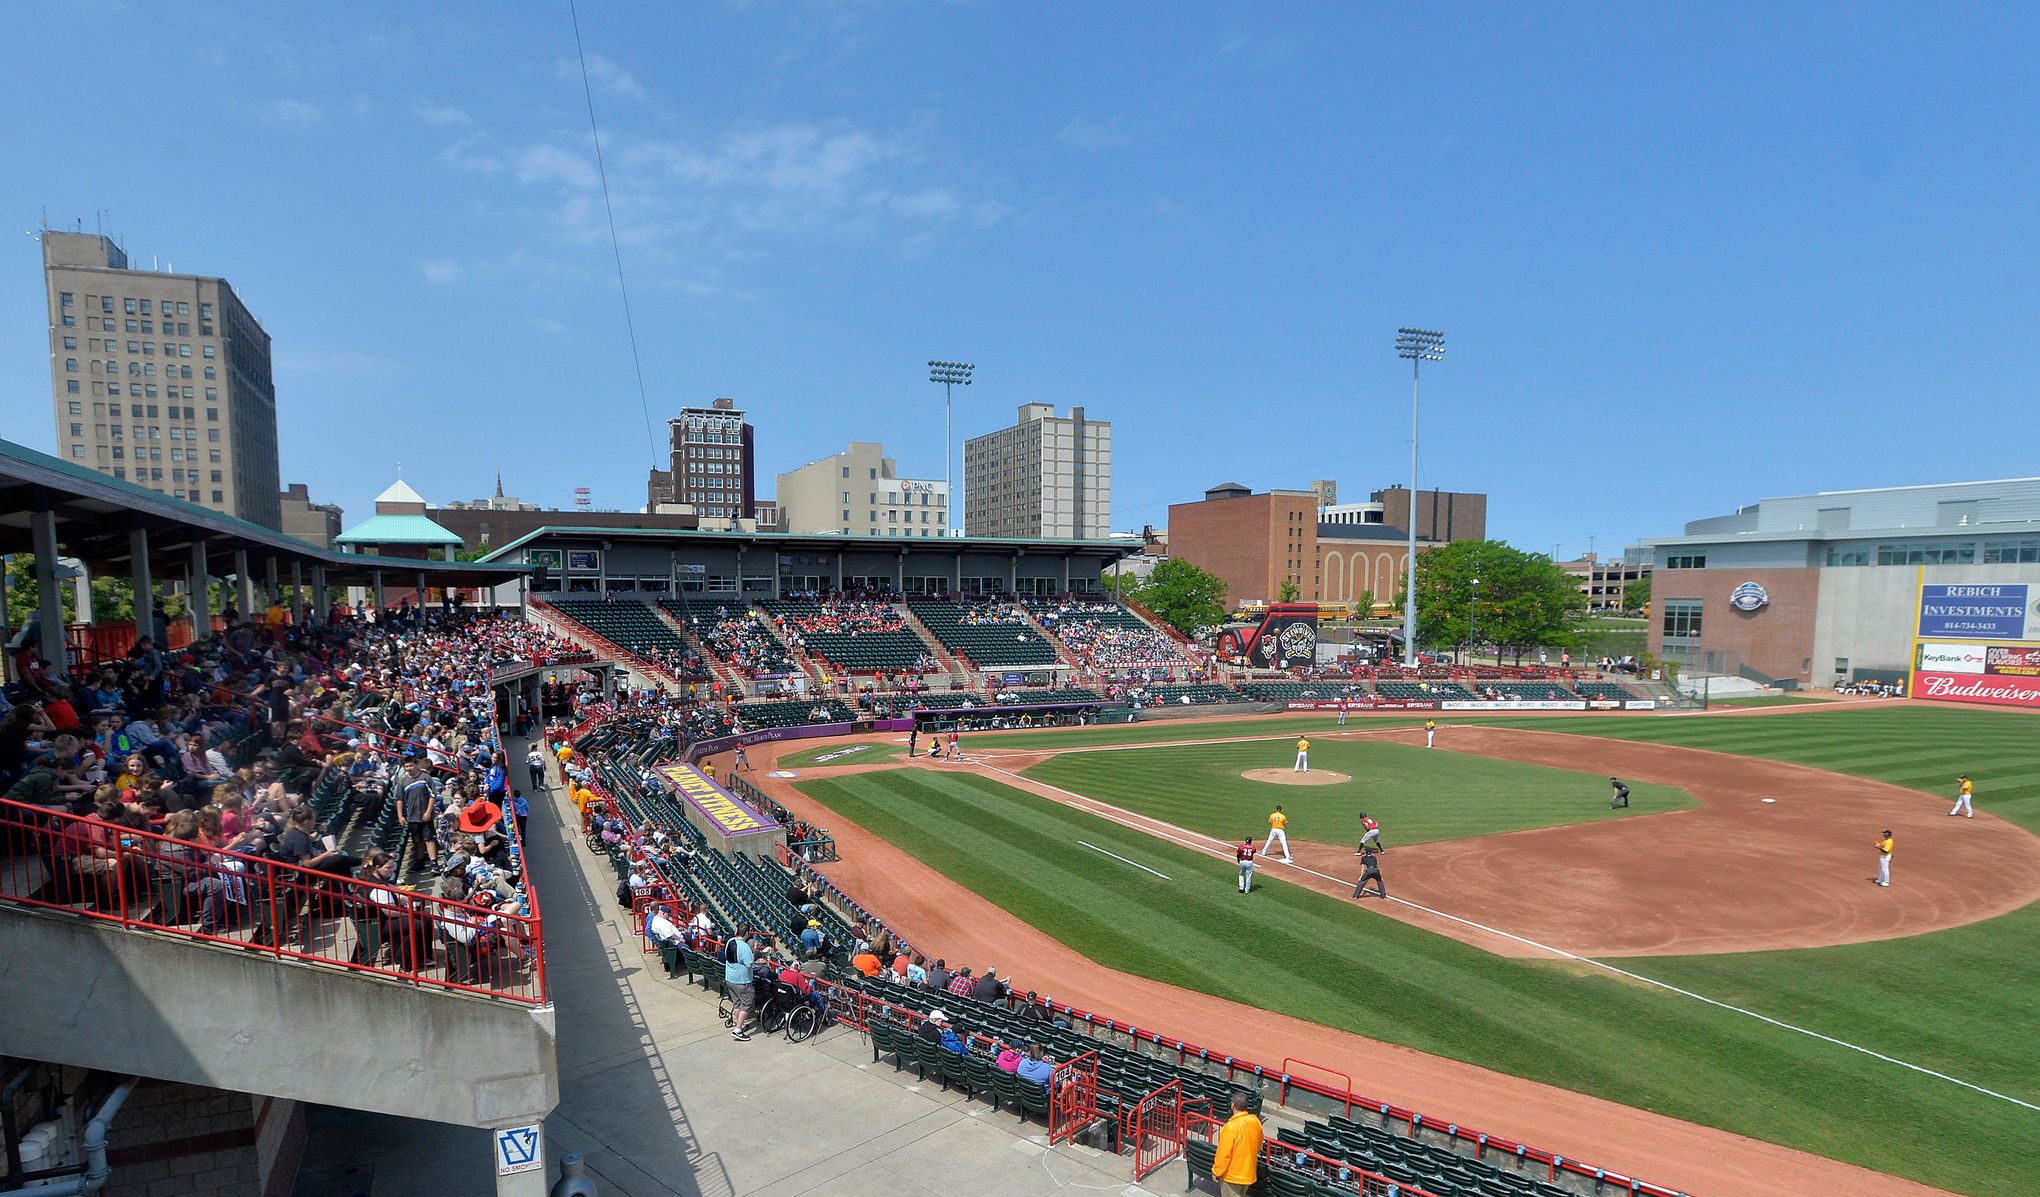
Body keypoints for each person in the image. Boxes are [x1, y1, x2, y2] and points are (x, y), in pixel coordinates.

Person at [1210, 1091, 1264, 1197]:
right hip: (1248, 1173)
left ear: (1233, 1105)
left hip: (1232, 1176)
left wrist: (1216, 1171)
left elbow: (1224, 1154)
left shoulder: (1230, 1127)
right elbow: (1259, 1145)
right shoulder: (1255, 1122)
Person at [723, 927, 759, 1040]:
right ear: (747, 933)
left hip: (730, 978)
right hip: (742, 981)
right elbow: (749, 965)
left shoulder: (730, 941)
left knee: (737, 1003)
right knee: (746, 1004)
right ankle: (738, 1030)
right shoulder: (745, 947)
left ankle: (741, 1024)